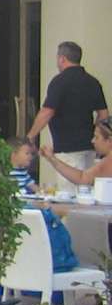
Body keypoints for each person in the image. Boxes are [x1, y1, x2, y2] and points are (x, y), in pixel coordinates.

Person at [27, 41, 107, 194]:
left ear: (62, 58)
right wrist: (96, 136)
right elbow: (103, 115)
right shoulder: (93, 82)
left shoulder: (59, 82)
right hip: (90, 147)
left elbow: (47, 112)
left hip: (67, 149)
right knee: (87, 192)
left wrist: (31, 136)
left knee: (68, 193)